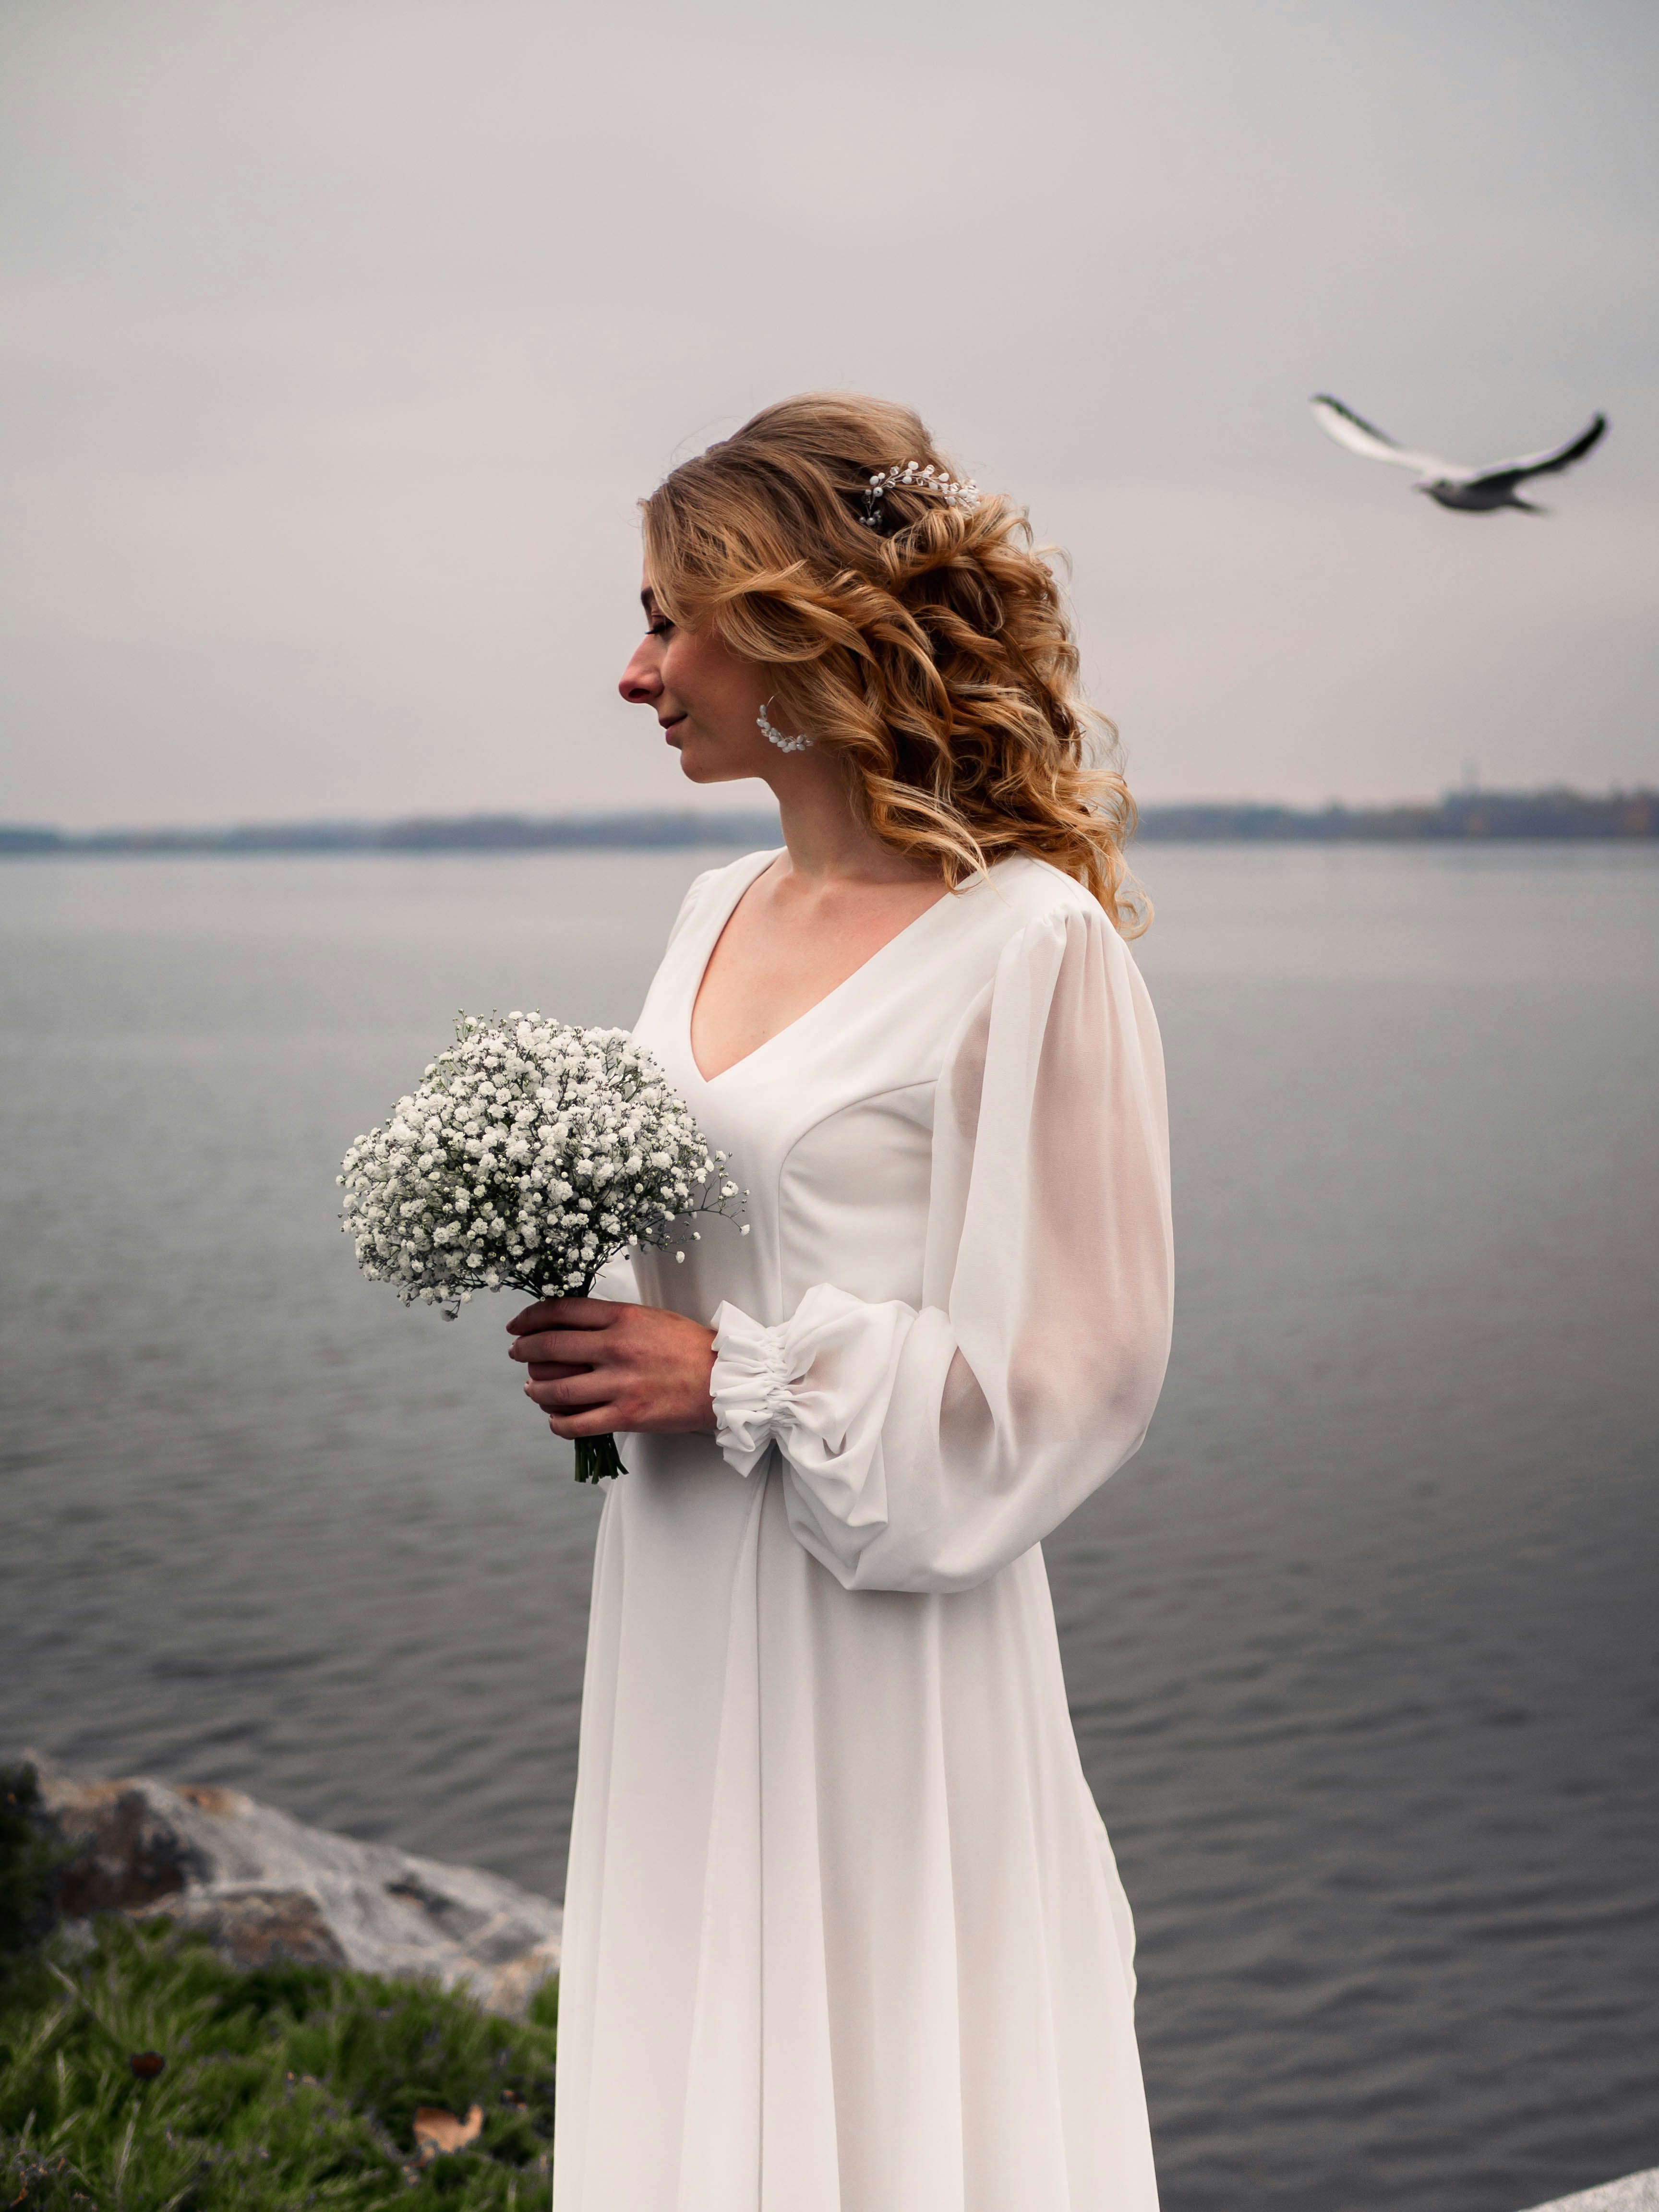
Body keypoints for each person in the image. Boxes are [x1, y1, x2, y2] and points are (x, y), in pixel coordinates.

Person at [507, 393, 1174, 2211]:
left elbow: (1081, 1373)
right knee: (698, 2029)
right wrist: (587, 1305)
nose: (635, 673)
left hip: (880, 1618)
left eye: (669, 617)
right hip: (675, 1591)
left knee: (880, 2065)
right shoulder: (711, 907)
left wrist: (731, 1375)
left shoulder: (1031, 942)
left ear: (800, 620)